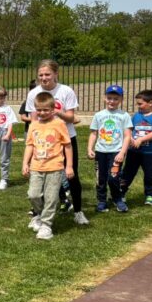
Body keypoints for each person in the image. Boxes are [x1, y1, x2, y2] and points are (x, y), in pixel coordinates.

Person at [24, 60, 89, 225]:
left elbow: (72, 118)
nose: (44, 78)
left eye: (47, 74)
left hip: (66, 138)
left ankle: (78, 211)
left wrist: (57, 112)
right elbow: (33, 121)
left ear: (55, 74)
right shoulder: (33, 94)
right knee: (43, 176)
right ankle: (38, 214)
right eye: (40, 75)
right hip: (42, 142)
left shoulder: (66, 91)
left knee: (72, 174)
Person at [23, 92, 73, 241]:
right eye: (39, 110)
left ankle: (46, 225)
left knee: (51, 198)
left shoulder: (59, 124)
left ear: (53, 109)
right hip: (36, 166)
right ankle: (38, 215)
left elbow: (67, 145)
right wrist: (25, 163)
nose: (42, 113)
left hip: (55, 166)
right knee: (33, 194)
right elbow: (30, 145)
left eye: (45, 110)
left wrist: (69, 166)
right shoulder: (33, 125)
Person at [87, 85, 133, 213]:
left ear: (121, 100)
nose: (112, 101)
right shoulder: (98, 115)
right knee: (100, 178)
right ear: (104, 98)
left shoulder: (124, 115)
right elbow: (93, 133)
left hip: (116, 152)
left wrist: (122, 152)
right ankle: (102, 201)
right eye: (109, 98)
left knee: (113, 177)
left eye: (115, 99)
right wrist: (90, 148)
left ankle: (117, 199)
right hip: (100, 152)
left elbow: (127, 136)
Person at [121, 89, 152, 205]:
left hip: (151, 153)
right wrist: (130, 138)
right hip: (134, 151)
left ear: (151, 103)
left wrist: (141, 139)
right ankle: (120, 193)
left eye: (140, 103)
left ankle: (150, 195)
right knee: (127, 173)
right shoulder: (136, 116)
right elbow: (129, 129)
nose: (138, 106)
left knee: (150, 174)